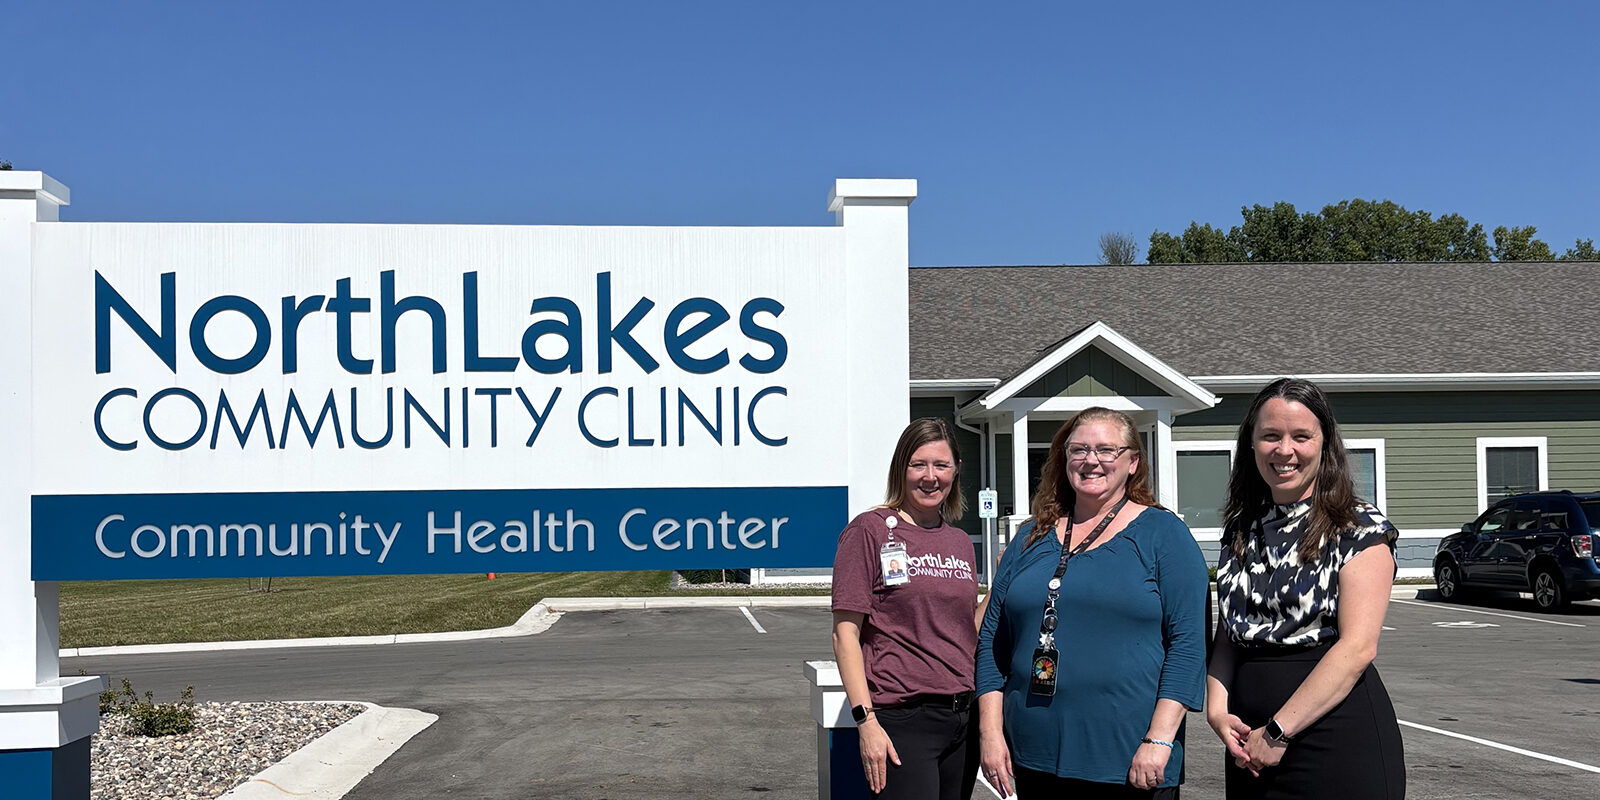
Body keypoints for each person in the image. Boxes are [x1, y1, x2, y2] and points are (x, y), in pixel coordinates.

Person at [976, 407, 1208, 799]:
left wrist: (1160, 740)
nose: (1091, 460)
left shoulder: (1163, 534)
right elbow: (991, 643)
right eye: (1079, 449)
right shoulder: (1031, 537)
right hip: (1033, 755)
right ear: (1064, 459)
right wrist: (991, 733)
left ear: (1133, 462)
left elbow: (1188, 646)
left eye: (1107, 450)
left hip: (1130, 758)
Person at [1206, 378, 1406, 799]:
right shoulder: (1243, 528)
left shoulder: (1359, 529)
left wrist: (1278, 732)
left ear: (1324, 444)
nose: (1285, 450)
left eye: (1301, 436)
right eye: (1271, 436)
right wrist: (1217, 709)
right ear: (1252, 444)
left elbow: (1358, 649)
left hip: (1332, 742)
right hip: (1248, 743)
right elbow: (1230, 630)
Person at [831, 418, 982, 799]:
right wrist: (866, 722)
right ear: (901, 468)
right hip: (902, 720)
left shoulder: (960, 541)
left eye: (941, 465)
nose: (930, 477)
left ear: (956, 469)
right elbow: (844, 633)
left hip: (963, 718)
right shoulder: (870, 530)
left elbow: (963, 629)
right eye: (919, 464)